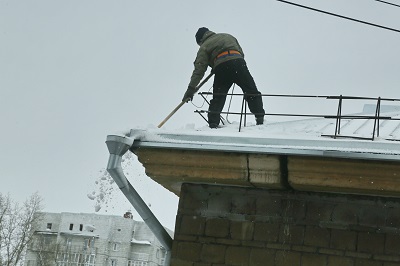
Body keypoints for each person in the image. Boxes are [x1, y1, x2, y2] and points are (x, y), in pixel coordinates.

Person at [182, 27, 265, 128]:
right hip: (239, 63)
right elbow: (241, 53)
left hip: (222, 68)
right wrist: (219, 63)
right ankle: (260, 118)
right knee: (251, 91)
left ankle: (213, 123)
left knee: (218, 96)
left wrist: (190, 89)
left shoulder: (204, 46)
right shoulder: (228, 36)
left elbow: (199, 69)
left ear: (200, 40)